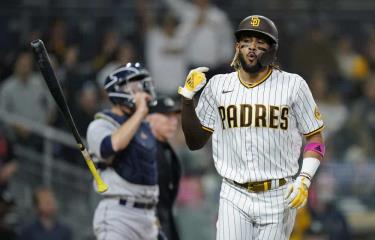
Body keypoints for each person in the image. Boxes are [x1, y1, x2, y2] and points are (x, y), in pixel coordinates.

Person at [178, 15, 325, 239]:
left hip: (278, 194)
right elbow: (195, 142)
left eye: (260, 42)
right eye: (246, 41)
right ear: (238, 46)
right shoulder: (218, 85)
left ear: (273, 49)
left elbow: (316, 139)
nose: (252, 47)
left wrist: (304, 179)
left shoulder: (293, 85)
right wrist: (187, 99)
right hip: (233, 193)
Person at [86, 63, 162, 240]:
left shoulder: (144, 125)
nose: (142, 91)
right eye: (134, 86)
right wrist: (141, 112)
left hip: (148, 215)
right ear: (118, 89)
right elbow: (111, 146)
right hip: (118, 215)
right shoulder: (101, 123)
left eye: (142, 85)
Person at [148, 97, 182, 240]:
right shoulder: (143, 148)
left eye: (175, 117)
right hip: (147, 218)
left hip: (164, 215)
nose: (174, 122)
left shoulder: (165, 148)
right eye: (167, 117)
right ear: (149, 118)